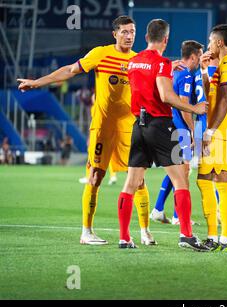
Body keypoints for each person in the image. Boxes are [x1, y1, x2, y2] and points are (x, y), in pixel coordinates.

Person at [17, 16, 155, 246]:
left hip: (129, 128)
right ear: (115, 34)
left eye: (132, 31)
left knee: (139, 179)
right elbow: (70, 70)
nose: (129, 36)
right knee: (95, 176)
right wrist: (38, 82)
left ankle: (145, 231)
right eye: (124, 32)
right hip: (102, 127)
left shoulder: (138, 61)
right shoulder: (100, 54)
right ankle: (87, 231)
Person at [117, 19, 208, 251]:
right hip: (160, 125)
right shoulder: (162, 63)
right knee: (180, 180)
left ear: (146, 37)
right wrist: (195, 109)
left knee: (130, 184)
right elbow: (166, 96)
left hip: (138, 125)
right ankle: (186, 235)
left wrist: (167, 66)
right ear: (165, 40)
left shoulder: (133, 61)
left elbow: (143, 75)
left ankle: (125, 238)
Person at [196, 24, 227, 252]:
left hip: (223, 133)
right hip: (220, 130)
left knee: (221, 183)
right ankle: (214, 237)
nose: (207, 46)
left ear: (219, 43)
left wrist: (211, 131)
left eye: (209, 41)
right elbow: (212, 97)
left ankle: (224, 238)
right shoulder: (223, 65)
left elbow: (225, 100)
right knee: (204, 180)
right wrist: (205, 71)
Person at [150, 40, 205, 226]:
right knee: (183, 171)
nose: (200, 60)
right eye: (199, 55)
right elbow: (184, 106)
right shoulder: (186, 75)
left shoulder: (172, 70)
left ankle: (158, 209)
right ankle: (178, 216)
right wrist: (191, 130)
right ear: (193, 56)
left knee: (176, 169)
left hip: (168, 125)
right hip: (180, 128)